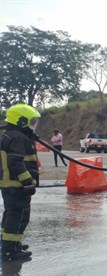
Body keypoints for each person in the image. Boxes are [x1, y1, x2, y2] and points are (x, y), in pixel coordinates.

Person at [0, 103, 40, 261]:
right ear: (21, 121)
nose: (34, 125)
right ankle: (11, 251)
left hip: (8, 185)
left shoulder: (10, 135)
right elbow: (16, 163)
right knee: (19, 216)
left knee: (10, 214)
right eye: (32, 122)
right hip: (17, 186)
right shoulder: (18, 137)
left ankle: (9, 244)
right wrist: (28, 181)